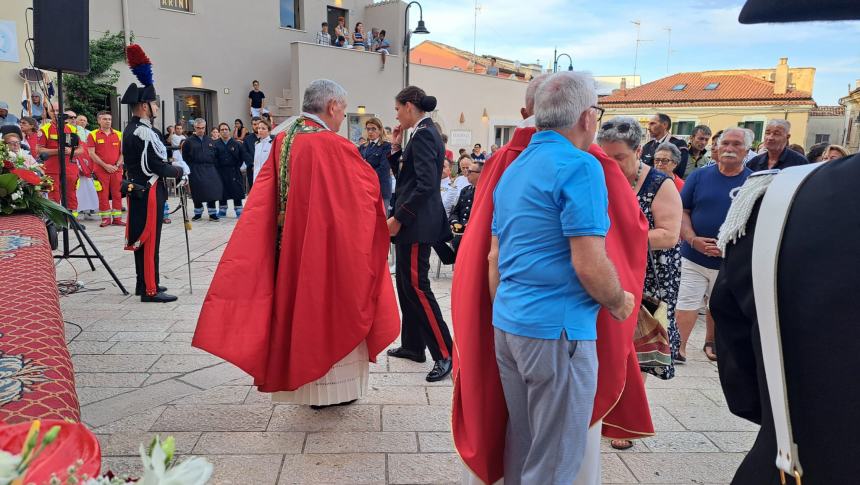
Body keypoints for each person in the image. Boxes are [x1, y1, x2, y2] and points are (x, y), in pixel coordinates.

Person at [452, 73, 653, 485]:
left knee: (524, 443)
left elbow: (496, 255)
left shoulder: (514, 165)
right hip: (558, 331)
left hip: (511, 324)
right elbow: (589, 263)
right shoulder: (581, 166)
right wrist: (619, 302)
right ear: (586, 117)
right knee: (558, 457)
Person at [193, 79, 399, 408]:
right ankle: (335, 390)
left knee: (298, 308)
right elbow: (364, 196)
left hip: (289, 244)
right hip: (326, 248)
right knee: (329, 309)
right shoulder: (332, 145)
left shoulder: (285, 137)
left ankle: (306, 388)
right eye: (343, 111)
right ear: (332, 106)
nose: (342, 118)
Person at [598, 118, 683, 450]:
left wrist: (618, 241)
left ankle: (625, 417)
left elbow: (668, 234)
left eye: (618, 157)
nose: (610, 163)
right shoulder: (601, 178)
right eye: (604, 156)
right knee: (609, 341)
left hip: (651, 276)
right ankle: (606, 403)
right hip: (611, 271)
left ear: (638, 151)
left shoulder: (660, 184)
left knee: (638, 348)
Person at [385, 85, 454, 383]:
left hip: (416, 225)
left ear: (410, 106)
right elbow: (408, 179)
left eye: (398, 108)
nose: (397, 113)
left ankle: (445, 352)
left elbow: (426, 185)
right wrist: (396, 149)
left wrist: (399, 218)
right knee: (406, 286)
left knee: (416, 287)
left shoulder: (425, 134)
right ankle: (414, 345)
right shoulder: (420, 132)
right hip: (413, 223)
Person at [676, 128, 752, 362]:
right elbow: (683, 211)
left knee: (717, 305)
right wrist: (692, 239)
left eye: (736, 144)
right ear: (716, 147)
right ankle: (678, 347)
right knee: (687, 300)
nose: (729, 149)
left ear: (747, 150)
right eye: (725, 143)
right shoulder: (699, 176)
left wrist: (730, 247)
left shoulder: (754, 182)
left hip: (730, 259)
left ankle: (712, 343)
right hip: (694, 255)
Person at [120, 44, 185, 302]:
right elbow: (156, 166)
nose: (156, 106)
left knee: (145, 240)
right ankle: (150, 289)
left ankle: (145, 282)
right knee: (149, 240)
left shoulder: (133, 128)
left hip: (139, 187)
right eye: (154, 103)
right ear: (145, 106)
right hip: (149, 189)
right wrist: (179, 170)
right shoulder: (144, 131)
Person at [38, 102, 81, 217]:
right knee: (54, 194)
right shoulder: (44, 129)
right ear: (48, 112)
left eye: (58, 111)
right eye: (53, 111)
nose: (56, 113)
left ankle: (73, 220)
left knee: (71, 193)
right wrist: (58, 151)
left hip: (70, 167)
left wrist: (70, 151)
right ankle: (56, 221)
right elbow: (39, 150)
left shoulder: (72, 129)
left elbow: (81, 150)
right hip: (52, 168)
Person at [88, 111, 125, 227]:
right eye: (104, 119)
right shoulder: (93, 134)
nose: (107, 121)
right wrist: (106, 166)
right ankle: (105, 219)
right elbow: (91, 154)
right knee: (102, 194)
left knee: (117, 194)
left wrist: (117, 165)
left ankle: (117, 219)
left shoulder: (119, 134)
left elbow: (123, 153)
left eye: (109, 119)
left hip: (116, 170)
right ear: (99, 121)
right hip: (100, 170)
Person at [182, 118, 223, 221]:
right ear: (194, 128)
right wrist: (191, 167)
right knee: (197, 190)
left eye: (202, 128)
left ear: (205, 128)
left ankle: (212, 214)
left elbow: (216, 155)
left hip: (210, 168)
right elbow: (185, 157)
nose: (200, 130)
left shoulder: (210, 140)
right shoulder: (188, 142)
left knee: (211, 191)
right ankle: (198, 213)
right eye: (198, 128)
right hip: (195, 168)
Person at [359, 117, 392, 211]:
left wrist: (366, 173)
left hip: (381, 189)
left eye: (373, 129)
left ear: (380, 130)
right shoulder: (363, 147)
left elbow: (384, 169)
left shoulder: (386, 146)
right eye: (368, 129)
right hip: (366, 189)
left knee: (381, 220)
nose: (370, 132)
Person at [641, 113, 689, 177]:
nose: (648, 128)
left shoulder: (678, 145)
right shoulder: (647, 146)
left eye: (652, 124)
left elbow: (679, 173)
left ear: (665, 125)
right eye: (649, 124)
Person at [449, 161, 481, 252]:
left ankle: (457, 262)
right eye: (465, 170)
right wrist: (454, 222)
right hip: (459, 229)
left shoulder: (485, 193)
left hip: (473, 231)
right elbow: (454, 211)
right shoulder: (465, 190)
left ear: (481, 174)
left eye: (470, 171)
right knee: (436, 238)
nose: (467, 173)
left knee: (458, 243)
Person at [215, 122, 245, 218]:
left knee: (236, 190)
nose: (224, 131)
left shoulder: (237, 143)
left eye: (226, 129)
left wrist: (239, 167)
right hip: (221, 171)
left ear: (229, 131)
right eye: (222, 130)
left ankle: (239, 210)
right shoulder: (215, 144)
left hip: (234, 170)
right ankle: (222, 210)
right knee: (222, 190)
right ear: (219, 132)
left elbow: (242, 157)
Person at [242, 117, 260, 190]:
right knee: (254, 190)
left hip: (265, 169)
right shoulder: (247, 139)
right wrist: (252, 164)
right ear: (252, 126)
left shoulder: (267, 138)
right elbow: (245, 153)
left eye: (258, 124)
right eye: (254, 124)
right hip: (252, 169)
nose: (257, 126)